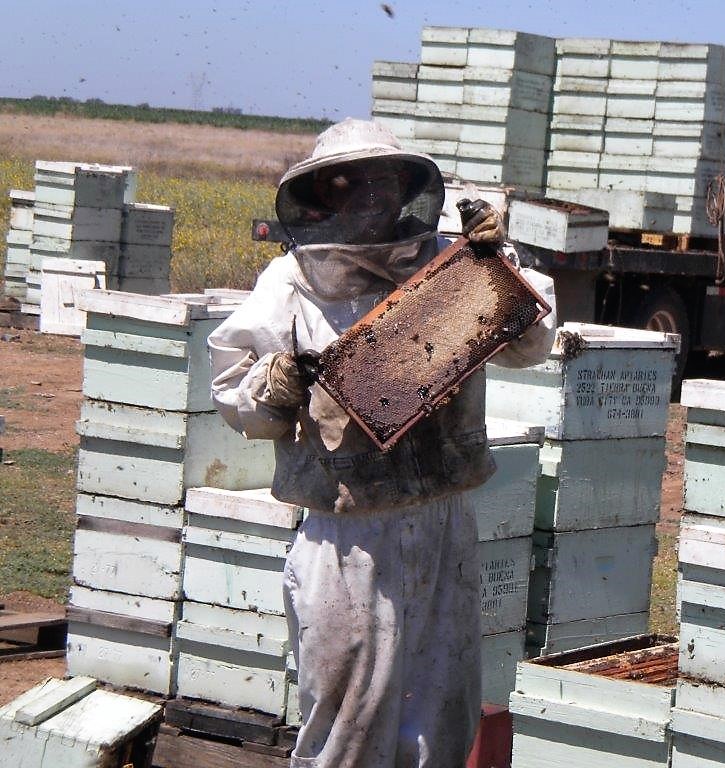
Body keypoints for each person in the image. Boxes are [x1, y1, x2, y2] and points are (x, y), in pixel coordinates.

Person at [207, 118, 556, 768]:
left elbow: (531, 345)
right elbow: (235, 393)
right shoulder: (289, 281)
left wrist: (500, 267)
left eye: (382, 180)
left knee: (443, 721)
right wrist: (272, 385)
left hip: (445, 519)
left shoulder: (447, 263)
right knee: (347, 731)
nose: (370, 194)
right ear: (323, 194)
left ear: (405, 187)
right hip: (350, 537)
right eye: (352, 183)